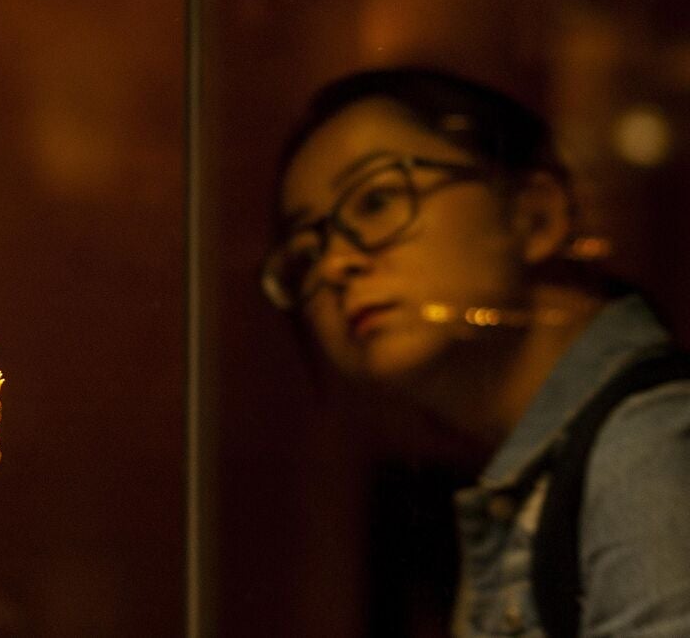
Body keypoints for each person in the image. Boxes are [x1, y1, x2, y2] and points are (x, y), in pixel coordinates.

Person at [262, 68, 690, 636]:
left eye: (377, 199)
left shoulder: (643, 446)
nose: (337, 264)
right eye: (307, 252)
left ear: (535, 216)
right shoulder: (542, 477)